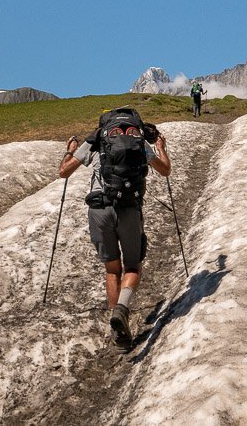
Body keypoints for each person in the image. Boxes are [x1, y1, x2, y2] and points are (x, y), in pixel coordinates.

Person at [58, 108, 171, 351]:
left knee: (112, 269)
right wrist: (161, 147)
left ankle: (116, 330)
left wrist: (70, 148)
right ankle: (122, 309)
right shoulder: (137, 142)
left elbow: (64, 171)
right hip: (129, 209)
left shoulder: (96, 141)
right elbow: (165, 170)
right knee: (132, 266)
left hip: (99, 210)